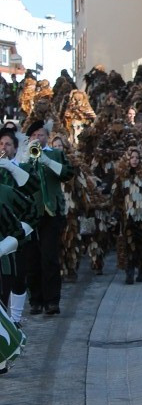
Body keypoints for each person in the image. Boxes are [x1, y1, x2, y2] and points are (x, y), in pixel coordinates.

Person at [21, 119, 75, 316]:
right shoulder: (24, 156)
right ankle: (36, 300)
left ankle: (52, 301)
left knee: (50, 258)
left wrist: (48, 161)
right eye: (34, 136)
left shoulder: (56, 154)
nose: (38, 138)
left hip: (51, 213)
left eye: (41, 135)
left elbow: (68, 173)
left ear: (47, 137)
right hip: (29, 214)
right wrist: (28, 158)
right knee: (31, 258)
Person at [111, 145, 142, 284]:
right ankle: (130, 271)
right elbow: (117, 197)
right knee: (129, 244)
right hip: (129, 217)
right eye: (132, 157)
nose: (134, 160)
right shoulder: (122, 178)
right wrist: (117, 214)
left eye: (137, 157)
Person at [0, 126, 33, 326]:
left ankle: (15, 318)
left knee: (18, 275)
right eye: (1, 144)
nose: (3, 147)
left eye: (8, 144)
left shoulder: (22, 167)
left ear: (15, 148)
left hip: (16, 230)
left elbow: (30, 197)